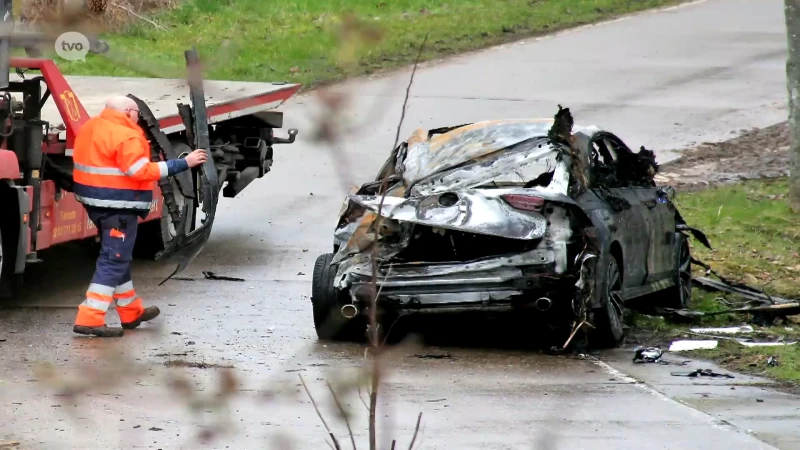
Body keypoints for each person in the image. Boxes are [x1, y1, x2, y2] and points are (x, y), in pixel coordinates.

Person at [71, 95, 207, 337]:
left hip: (95, 204)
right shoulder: (128, 135)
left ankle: (130, 312)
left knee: (118, 257)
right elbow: (140, 171)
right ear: (128, 112)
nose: (138, 118)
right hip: (118, 207)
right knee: (114, 260)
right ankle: (90, 318)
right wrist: (184, 163)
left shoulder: (92, 126)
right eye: (136, 114)